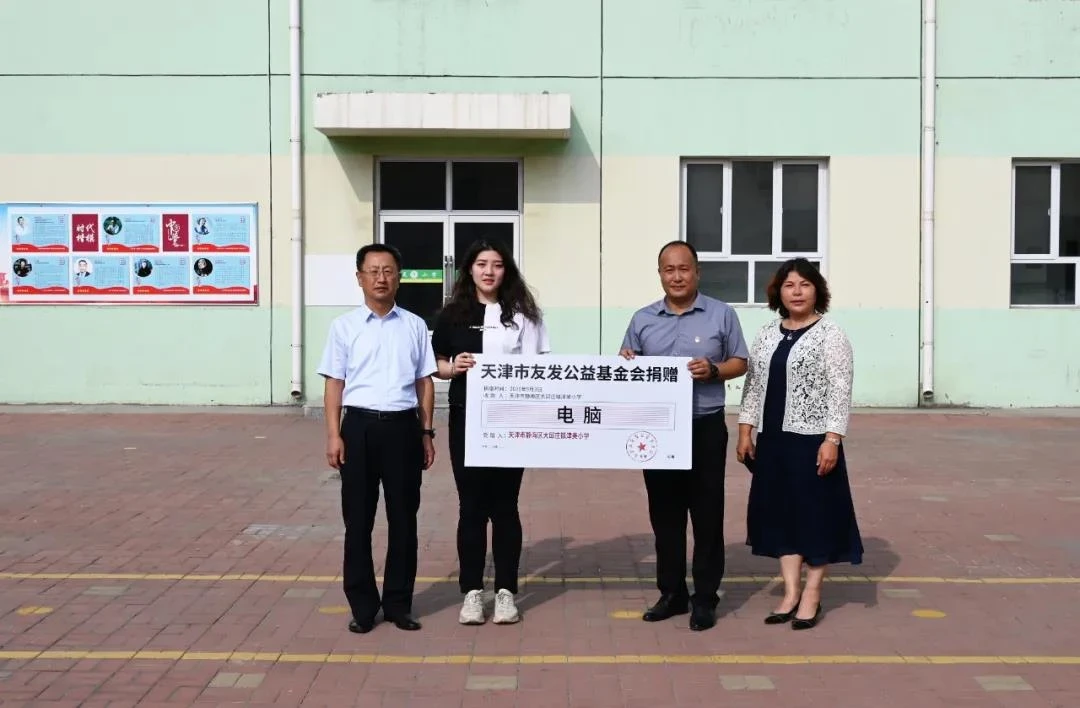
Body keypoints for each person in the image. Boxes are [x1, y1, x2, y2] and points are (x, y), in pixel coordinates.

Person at [619, 240, 749, 631]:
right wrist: (626, 363)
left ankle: (705, 598)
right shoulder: (642, 319)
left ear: (697, 272)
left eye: (684, 268)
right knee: (665, 515)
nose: (676, 276)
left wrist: (714, 370)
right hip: (657, 429)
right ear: (660, 274)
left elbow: (740, 362)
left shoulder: (721, 315)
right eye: (668, 269)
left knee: (707, 514)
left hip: (704, 425)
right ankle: (672, 593)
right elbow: (627, 367)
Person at [736, 258, 864, 631]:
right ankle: (790, 592)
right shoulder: (766, 333)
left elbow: (841, 390)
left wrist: (832, 439)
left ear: (817, 291)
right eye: (789, 285)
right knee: (780, 514)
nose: (796, 291)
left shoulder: (831, 334)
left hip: (811, 440)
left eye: (804, 285)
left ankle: (812, 593)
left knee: (814, 515)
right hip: (772, 439)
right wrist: (746, 429)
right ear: (778, 292)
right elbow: (754, 385)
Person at [318, 243, 437, 634]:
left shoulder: (415, 325)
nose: (381, 278)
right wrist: (334, 435)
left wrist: (425, 432)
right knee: (358, 521)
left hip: (403, 428)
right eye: (373, 271)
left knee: (404, 520)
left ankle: (399, 604)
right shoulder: (344, 327)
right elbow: (335, 383)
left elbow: (425, 382)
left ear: (399, 277)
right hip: (359, 429)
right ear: (360, 278)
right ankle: (364, 607)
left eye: (388, 270)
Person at [431, 239, 550, 626]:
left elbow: (541, 369)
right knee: (471, 508)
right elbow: (436, 364)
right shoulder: (452, 315)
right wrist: (453, 368)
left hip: (511, 422)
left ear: (507, 270)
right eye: (481, 263)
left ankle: (505, 593)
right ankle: (471, 592)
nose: (489, 271)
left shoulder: (525, 316)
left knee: (505, 508)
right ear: (469, 269)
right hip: (467, 420)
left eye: (497, 264)